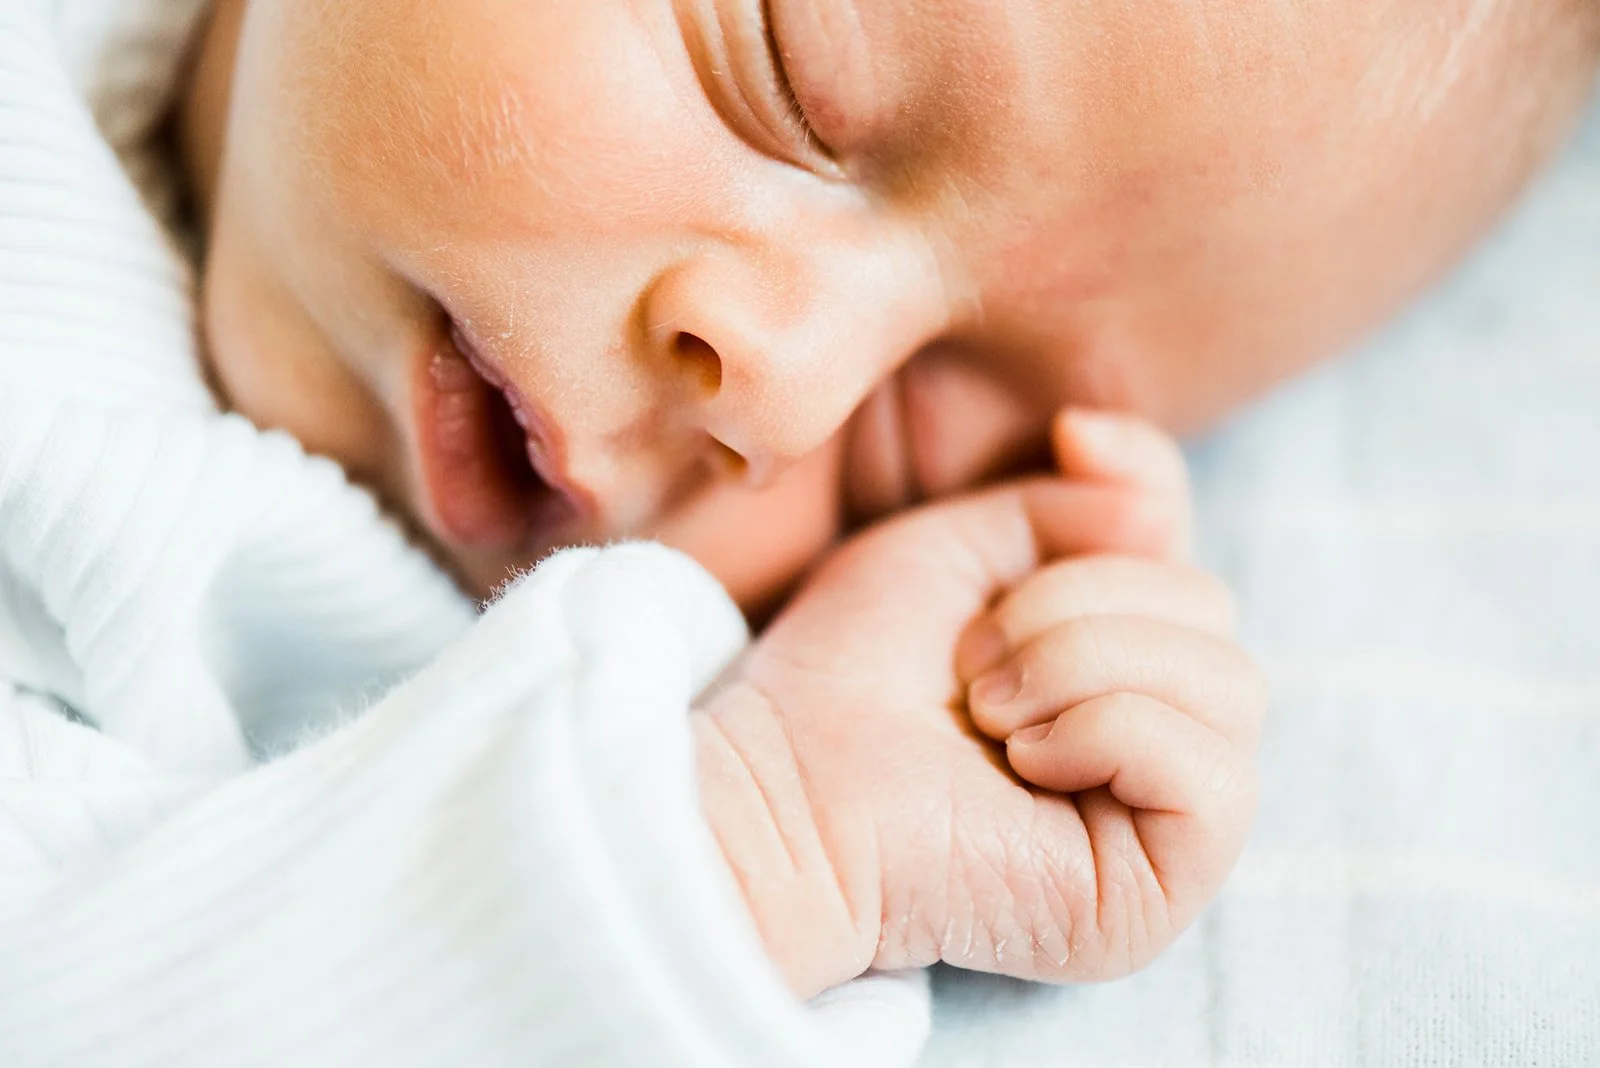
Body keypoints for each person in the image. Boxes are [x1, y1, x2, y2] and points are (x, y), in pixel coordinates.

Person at [0, 0, 1593, 1065]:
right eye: (786, 79)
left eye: (924, 438)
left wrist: (754, 839)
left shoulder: (568, 717)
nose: (790, 399)